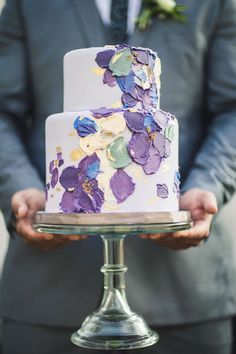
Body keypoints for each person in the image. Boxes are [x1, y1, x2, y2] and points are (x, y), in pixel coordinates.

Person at [0, 0, 236, 353]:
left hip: (186, 294)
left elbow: (232, 108)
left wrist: (207, 185)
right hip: (47, 294)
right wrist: (22, 189)